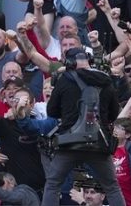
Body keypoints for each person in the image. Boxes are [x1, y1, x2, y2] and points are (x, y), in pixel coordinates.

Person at [41, 47, 123, 205]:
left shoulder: (64, 80)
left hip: (69, 143)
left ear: (69, 62)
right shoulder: (105, 80)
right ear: (89, 60)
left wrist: (67, 113)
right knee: (112, 187)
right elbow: (114, 114)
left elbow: (51, 111)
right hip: (98, 144)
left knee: (53, 184)